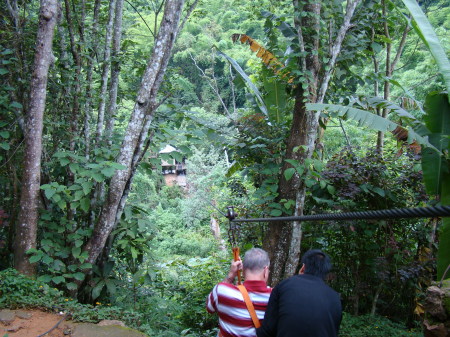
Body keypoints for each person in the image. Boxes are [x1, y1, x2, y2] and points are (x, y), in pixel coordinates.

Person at [256, 249, 342, 337]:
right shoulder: (335, 297)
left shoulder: (284, 286)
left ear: (303, 267)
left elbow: (268, 330)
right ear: (325, 273)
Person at [207, 248, 272, 337]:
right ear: (266, 270)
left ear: (242, 269)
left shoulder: (222, 291)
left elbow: (209, 308)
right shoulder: (275, 296)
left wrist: (230, 276)